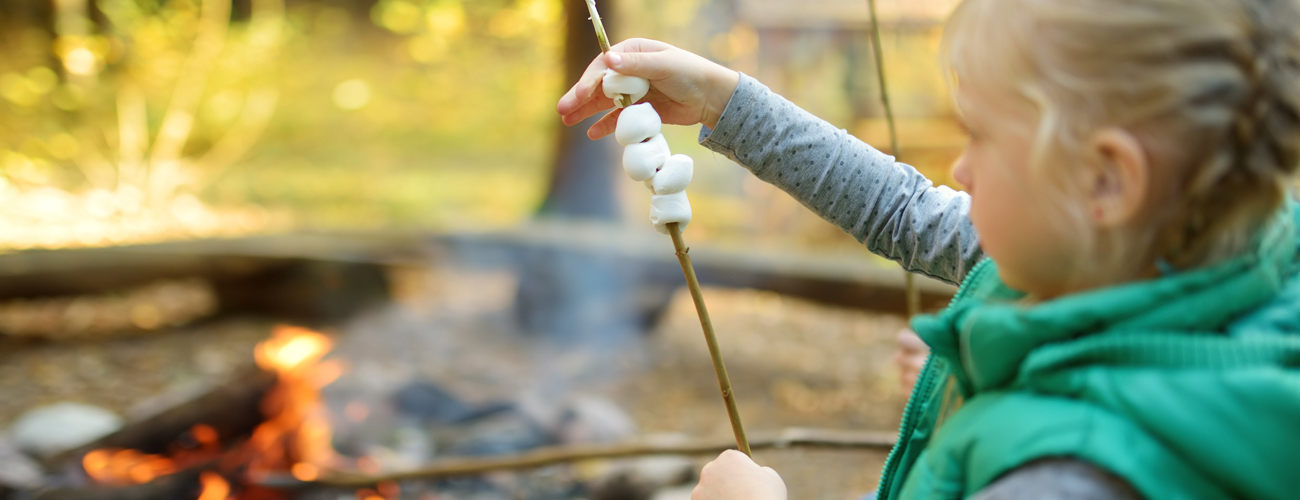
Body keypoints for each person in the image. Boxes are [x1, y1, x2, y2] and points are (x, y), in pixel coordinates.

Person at [557, 0, 1300, 498]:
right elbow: (906, 210)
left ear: (1107, 181)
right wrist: (727, 102)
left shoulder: (1069, 479)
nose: (962, 172)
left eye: (979, 134)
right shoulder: (1166, 258)